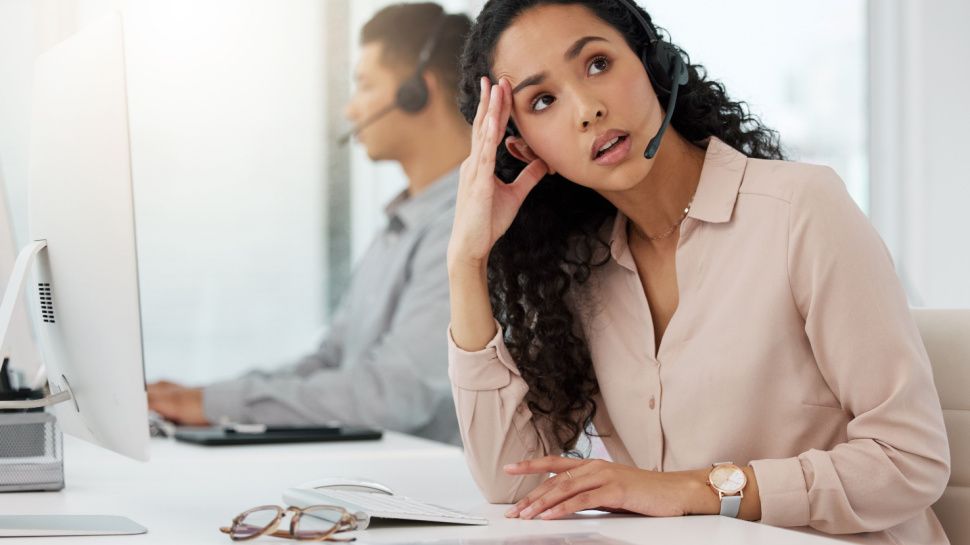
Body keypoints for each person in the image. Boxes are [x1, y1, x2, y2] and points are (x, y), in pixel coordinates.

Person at [446, 0, 951, 542]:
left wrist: (693, 490)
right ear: (523, 148)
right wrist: (466, 262)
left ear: (652, 63)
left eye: (597, 64)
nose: (587, 108)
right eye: (543, 100)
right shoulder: (580, 271)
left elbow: (909, 460)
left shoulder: (800, 210)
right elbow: (515, 483)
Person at [148, 3, 473, 446]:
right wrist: (207, 399)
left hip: (435, 488)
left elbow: (398, 394)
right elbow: (330, 359)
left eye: (364, 85)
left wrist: (213, 405)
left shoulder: (466, 224)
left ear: (417, 91)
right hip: (383, 471)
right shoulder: (402, 224)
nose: (351, 110)